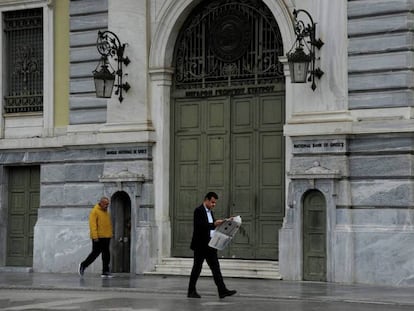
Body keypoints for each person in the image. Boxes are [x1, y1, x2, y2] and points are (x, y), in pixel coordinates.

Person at [187, 192, 237, 299]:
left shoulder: (210, 212)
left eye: (215, 203)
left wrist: (225, 222)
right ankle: (191, 291)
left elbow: (212, 223)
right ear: (206, 200)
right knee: (197, 268)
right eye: (212, 202)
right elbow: (200, 226)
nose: (214, 204)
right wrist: (213, 224)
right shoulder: (198, 211)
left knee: (215, 268)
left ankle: (222, 291)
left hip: (210, 245)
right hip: (200, 245)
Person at [78, 197, 113, 278]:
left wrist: (110, 234)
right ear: (101, 203)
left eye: (108, 204)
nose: (107, 206)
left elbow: (107, 224)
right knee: (95, 254)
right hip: (98, 237)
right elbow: (92, 225)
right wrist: (95, 237)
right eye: (106, 204)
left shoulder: (106, 212)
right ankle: (83, 265)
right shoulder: (95, 211)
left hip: (106, 236)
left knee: (106, 255)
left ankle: (105, 271)